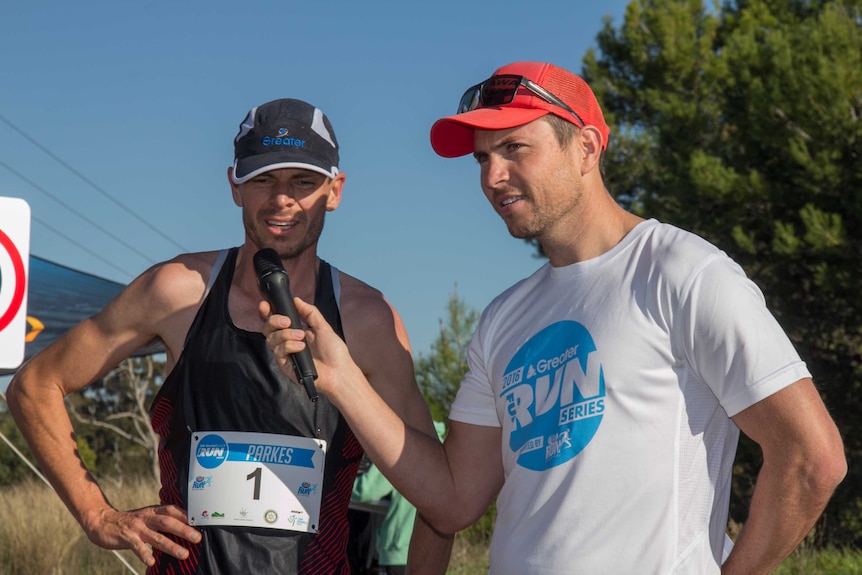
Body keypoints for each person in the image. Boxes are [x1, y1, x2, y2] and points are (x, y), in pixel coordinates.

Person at [261, 62, 848, 574]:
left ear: (587, 148)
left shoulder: (681, 272)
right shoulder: (503, 317)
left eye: (515, 148)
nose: (492, 178)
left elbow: (811, 458)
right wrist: (340, 379)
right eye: (483, 158)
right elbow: (453, 501)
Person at [6, 97, 441, 574]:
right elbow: (34, 385)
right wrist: (97, 515)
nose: (282, 199)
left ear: (334, 191)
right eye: (263, 180)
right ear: (235, 186)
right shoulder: (176, 292)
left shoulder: (368, 318)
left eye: (303, 180)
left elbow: (438, 492)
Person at [349, 421, 446, 575]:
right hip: (429, 549)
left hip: (396, 549)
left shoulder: (404, 449)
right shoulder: (442, 452)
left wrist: (336, 486)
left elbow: (368, 490)